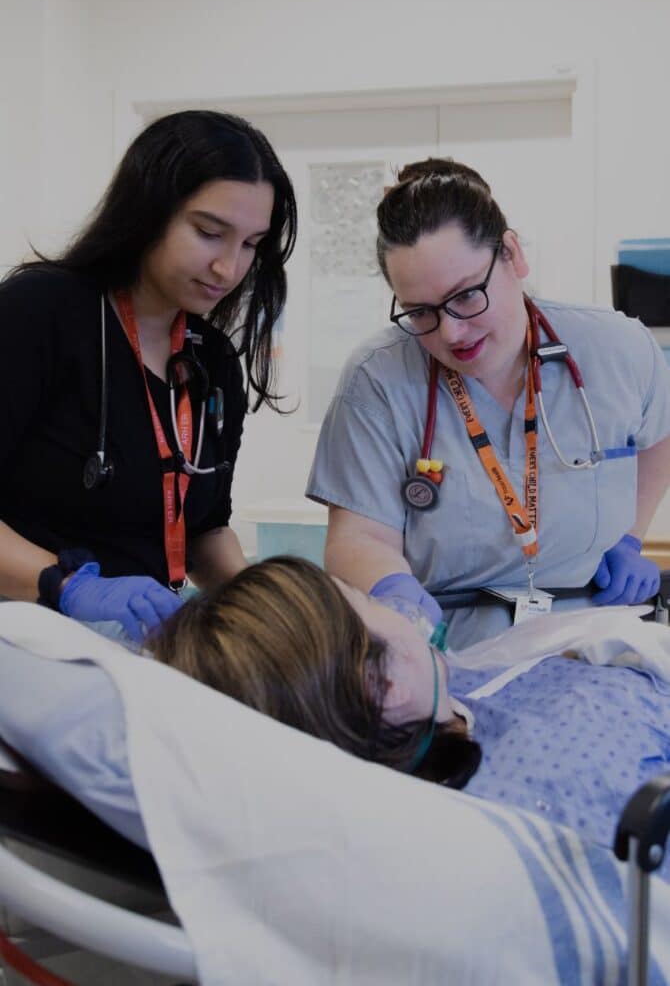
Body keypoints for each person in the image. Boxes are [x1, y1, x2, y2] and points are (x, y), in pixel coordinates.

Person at [306, 158, 670, 651]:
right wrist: (394, 593)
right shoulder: (378, 379)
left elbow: (660, 431)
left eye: (466, 296)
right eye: (421, 312)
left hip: (589, 644)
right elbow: (357, 538)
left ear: (513, 255)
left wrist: (630, 536)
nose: (452, 332)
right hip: (449, 650)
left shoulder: (616, 349)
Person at [151, 554, 670, 868]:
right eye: (368, 599)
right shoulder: (558, 785)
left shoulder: (448, 694)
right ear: (387, 682)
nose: (398, 609)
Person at [0, 110, 297, 643]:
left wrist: (276, 606)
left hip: (139, 653)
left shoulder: (213, 361)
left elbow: (204, 531)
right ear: (147, 213)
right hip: (24, 646)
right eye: (210, 233)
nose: (229, 269)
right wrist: (63, 584)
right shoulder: (41, 313)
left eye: (251, 244)